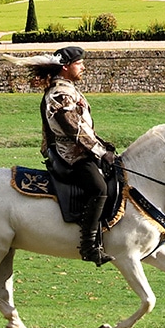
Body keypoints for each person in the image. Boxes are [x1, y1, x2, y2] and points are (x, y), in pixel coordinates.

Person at [27, 47, 116, 264]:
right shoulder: (60, 93)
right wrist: (100, 152)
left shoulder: (68, 89)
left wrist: (104, 146)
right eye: (79, 63)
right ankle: (88, 246)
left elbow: (84, 128)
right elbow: (73, 129)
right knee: (99, 188)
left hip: (81, 150)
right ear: (66, 67)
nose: (83, 67)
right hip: (69, 155)